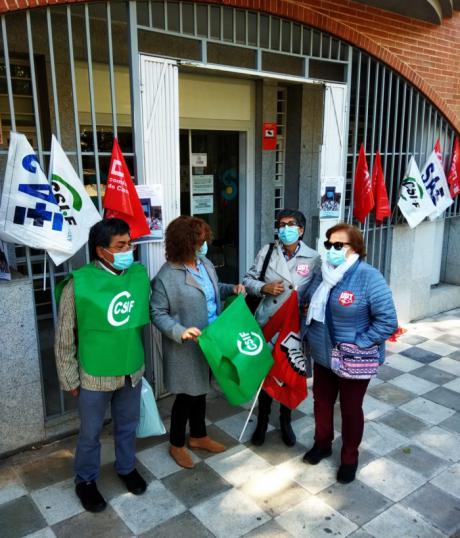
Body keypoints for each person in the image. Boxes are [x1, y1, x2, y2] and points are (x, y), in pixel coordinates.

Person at [55, 218, 150, 513]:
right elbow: (64, 336)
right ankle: (85, 480)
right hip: (94, 375)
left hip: (130, 370)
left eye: (129, 243)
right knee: (90, 434)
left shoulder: (137, 275)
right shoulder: (79, 284)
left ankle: (126, 467)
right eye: (120, 245)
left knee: (127, 426)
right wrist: (69, 377)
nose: (128, 250)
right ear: (100, 250)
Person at [301, 223, 397, 483]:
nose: (330, 250)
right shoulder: (323, 274)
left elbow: (387, 321)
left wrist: (360, 344)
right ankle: (322, 444)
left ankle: (349, 457)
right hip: (323, 355)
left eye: (337, 245)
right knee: (321, 403)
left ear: (354, 248)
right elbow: (307, 302)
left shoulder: (368, 276)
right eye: (328, 244)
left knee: (351, 409)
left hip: (353, 358)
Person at [150, 216, 245, 469]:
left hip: (212, 339)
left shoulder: (205, 264)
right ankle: (177, 444)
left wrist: (231, 289)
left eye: (205, 241)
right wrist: (179, 331)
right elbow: (157, 312)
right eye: (199, 242)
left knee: (201, 391)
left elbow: (212, 290)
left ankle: (199, 436)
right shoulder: (166, 276)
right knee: (186, 396)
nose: (204, 246)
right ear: (185, 243)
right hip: (187, 345)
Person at [243, 209, 320, 447]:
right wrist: (263, 288)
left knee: (288, 373)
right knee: (267, 373)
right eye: (281, 224)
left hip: (293, 328)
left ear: (301, 230)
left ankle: (285, 421)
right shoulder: (267, 251)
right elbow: (248, 279)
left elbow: (316, 292)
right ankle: (262, 422)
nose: (285, 228)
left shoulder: (314, 258)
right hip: (267, 322)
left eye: (291, 224)